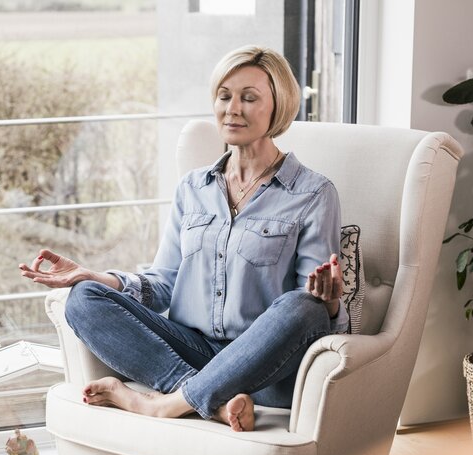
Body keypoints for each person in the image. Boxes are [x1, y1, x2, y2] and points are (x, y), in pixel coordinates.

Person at [19, 45, 348, 432]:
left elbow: (309, 318)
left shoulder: (312, 194)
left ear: (279, 106)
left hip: (265, 373)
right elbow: (164, 285)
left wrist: (327, 302)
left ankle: (160, 405)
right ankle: (213, 399)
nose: (233, 109)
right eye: (224, 96)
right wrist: (94, 277)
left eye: (249, 98)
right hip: (192, 350)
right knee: (83, 299)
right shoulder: (193, 188)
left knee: (303, 306)